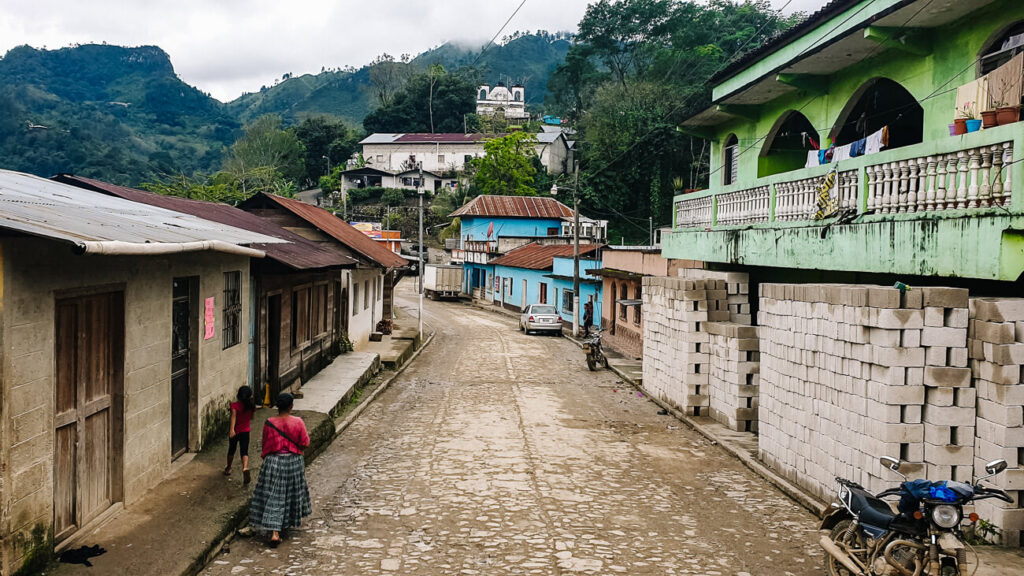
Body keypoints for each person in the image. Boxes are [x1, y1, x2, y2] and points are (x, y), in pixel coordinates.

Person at [249, 393, 312, 547]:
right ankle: (279, 529)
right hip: (293, 462)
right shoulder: (298, 422)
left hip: (273, 462)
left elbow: (265, 444)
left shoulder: (269, 422)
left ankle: (274, 530)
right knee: (288, 494)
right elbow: (305, 442)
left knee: (274, 495)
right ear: (291, 406)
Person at [225, 385, 256, 485]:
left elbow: (233, 417)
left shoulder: (234, 405)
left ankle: (228, 468)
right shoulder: (251, 407)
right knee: (244, 451)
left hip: (235, 432)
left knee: (232, 450)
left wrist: (231, 430)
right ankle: (245, 467)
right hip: (245, 431)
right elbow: (251, 418)